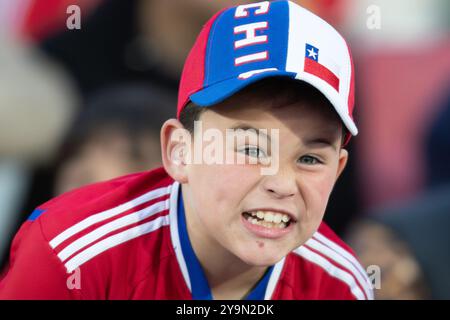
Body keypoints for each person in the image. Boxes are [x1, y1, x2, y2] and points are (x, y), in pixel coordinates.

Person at [0, 1, 373, 300]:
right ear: (179, 152)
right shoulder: (68, 254)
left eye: (310, 158)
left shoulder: (342, 285)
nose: (282, 183)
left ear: (338, 170)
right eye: (251, 148)